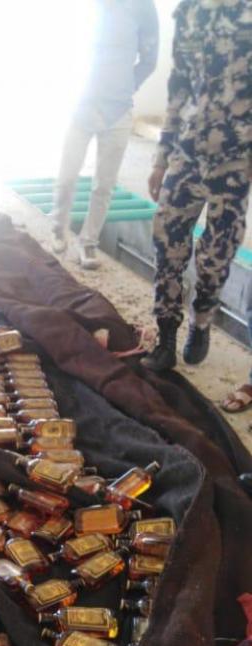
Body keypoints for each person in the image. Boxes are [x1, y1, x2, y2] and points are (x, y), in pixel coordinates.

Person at [142, 0, 251, 375]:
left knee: (217, 254)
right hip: (186, 154)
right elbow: (179, 87)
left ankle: (202, 319)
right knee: (166, 240)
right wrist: (161, 158)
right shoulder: (189, 11)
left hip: (235, 160)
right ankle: (166, 337)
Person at [51, 0, 159, 270]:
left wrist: (126, 87)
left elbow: (149, 60)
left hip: (118, 109)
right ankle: (58, 226)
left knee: (104, 184)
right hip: (83, 104)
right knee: (66, 177)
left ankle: (88, 241)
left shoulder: (142, 7)